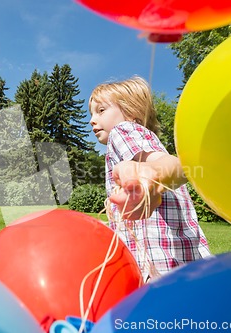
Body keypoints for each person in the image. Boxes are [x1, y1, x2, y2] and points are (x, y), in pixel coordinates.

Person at [89, 76, 211, 281]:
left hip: (159, 264)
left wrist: (152, 174)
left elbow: (173, 165)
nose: (92, 120)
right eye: (91, 113)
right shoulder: (147, 140)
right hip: (186, 262)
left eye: (101, 110)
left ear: (132, 112)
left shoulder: (124, 130)